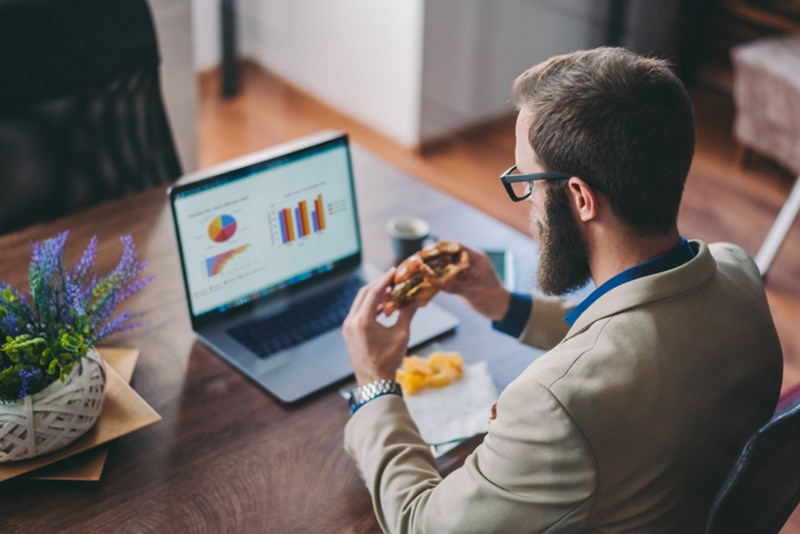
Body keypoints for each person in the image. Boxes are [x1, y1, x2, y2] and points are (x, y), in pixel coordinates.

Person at [342, 47, 783, 532]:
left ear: (579, 197)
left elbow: (421, 523)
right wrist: (505, 307)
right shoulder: (738, 271)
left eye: (527, 181)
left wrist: (374, 384)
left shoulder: (552, 402)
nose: (528, 205)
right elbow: (629, 346)